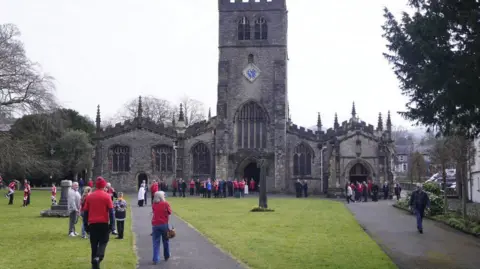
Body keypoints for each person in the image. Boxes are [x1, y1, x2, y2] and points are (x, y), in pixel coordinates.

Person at [83, 177, 115, 269]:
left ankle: (94, 265)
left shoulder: (89, 196)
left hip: (92, 224)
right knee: (103, 242)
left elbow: (85, 212)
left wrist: (85, 225)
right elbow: (111, 212)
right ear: (104, 186)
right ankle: (99, 257)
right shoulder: (107, 196)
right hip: (103, 223)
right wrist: (112, 226)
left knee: (94, 244)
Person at [151, 191, 171, 264]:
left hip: (155, 224)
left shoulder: (154, 204)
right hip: (164, 224)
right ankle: (166, 255)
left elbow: (154, 211)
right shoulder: (166, 204)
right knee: (166, 241)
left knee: (156, 242)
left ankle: (155, 259)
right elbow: (169, 212)